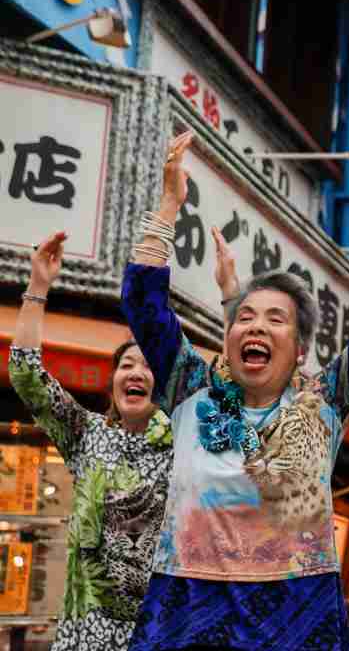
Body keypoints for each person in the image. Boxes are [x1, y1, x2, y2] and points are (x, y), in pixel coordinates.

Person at [122, 132, 349, 650]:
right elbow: (144, 302)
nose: (255, 327)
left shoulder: (324, 400)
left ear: (301, 349)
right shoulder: (190, 388)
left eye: (275, 319)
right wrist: (169, 205)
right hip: (187, 606)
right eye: (245, 317)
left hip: (296, 612)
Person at [10, 233, 180, 650]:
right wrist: (37, 286)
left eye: (148, 365)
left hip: (155, 637)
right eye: (126, 365)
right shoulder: (89, 435)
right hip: (81, 639)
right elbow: (28, 377)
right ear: (114, 382)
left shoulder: (185, 446)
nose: (136, 373)